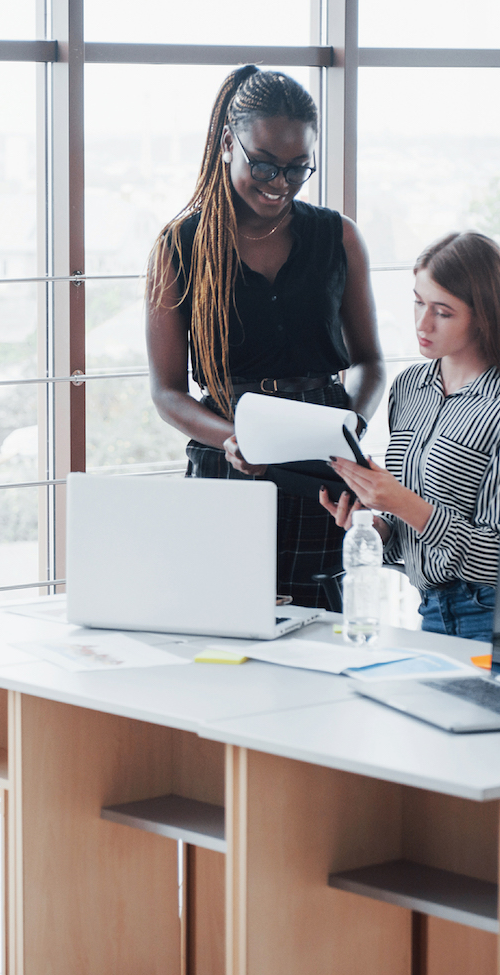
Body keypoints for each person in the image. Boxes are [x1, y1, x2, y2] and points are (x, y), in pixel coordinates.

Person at [146, 66, 384, 610]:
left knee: (322, 631)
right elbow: (166, 392)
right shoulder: (180, 246)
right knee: (220, 629)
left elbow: (369, 360)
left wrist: (351, 426)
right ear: (228, 143)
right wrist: (231, 438)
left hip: (322, 466)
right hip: (227, 461)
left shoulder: (337, 236)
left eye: (298, 169)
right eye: (265, 165)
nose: (280, 184)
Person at [320, 231, 500, 641]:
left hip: (496, 614)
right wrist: (378, 528)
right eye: (418, 302)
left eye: (443, 312)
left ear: (484, 316)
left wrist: (402, 501)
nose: (422, 323)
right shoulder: (408, 388)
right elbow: (414, 542)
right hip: (432, 611)